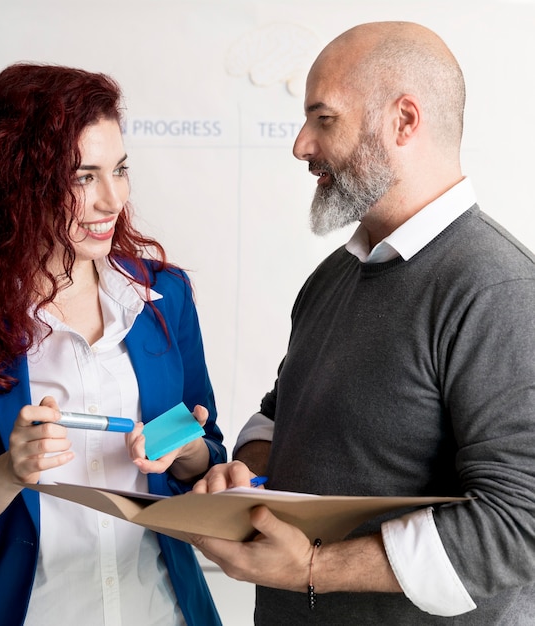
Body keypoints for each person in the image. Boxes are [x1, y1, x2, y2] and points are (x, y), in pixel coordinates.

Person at [192, 21, 535, 624]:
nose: (300, 145)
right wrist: (243, 473)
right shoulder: (332, 278)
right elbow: (282, 417)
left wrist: (310, 567)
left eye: (324, 119)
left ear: (405, 121)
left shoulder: (498, 289)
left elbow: (521, 521)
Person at [0, 63, 226, 626]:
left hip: (160, 610)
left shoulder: (164, 297)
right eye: (83, 177)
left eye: (120, 170)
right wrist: (10, 471)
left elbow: (206, 459)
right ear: (10, 184)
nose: (112, 199)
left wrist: (189, 450)